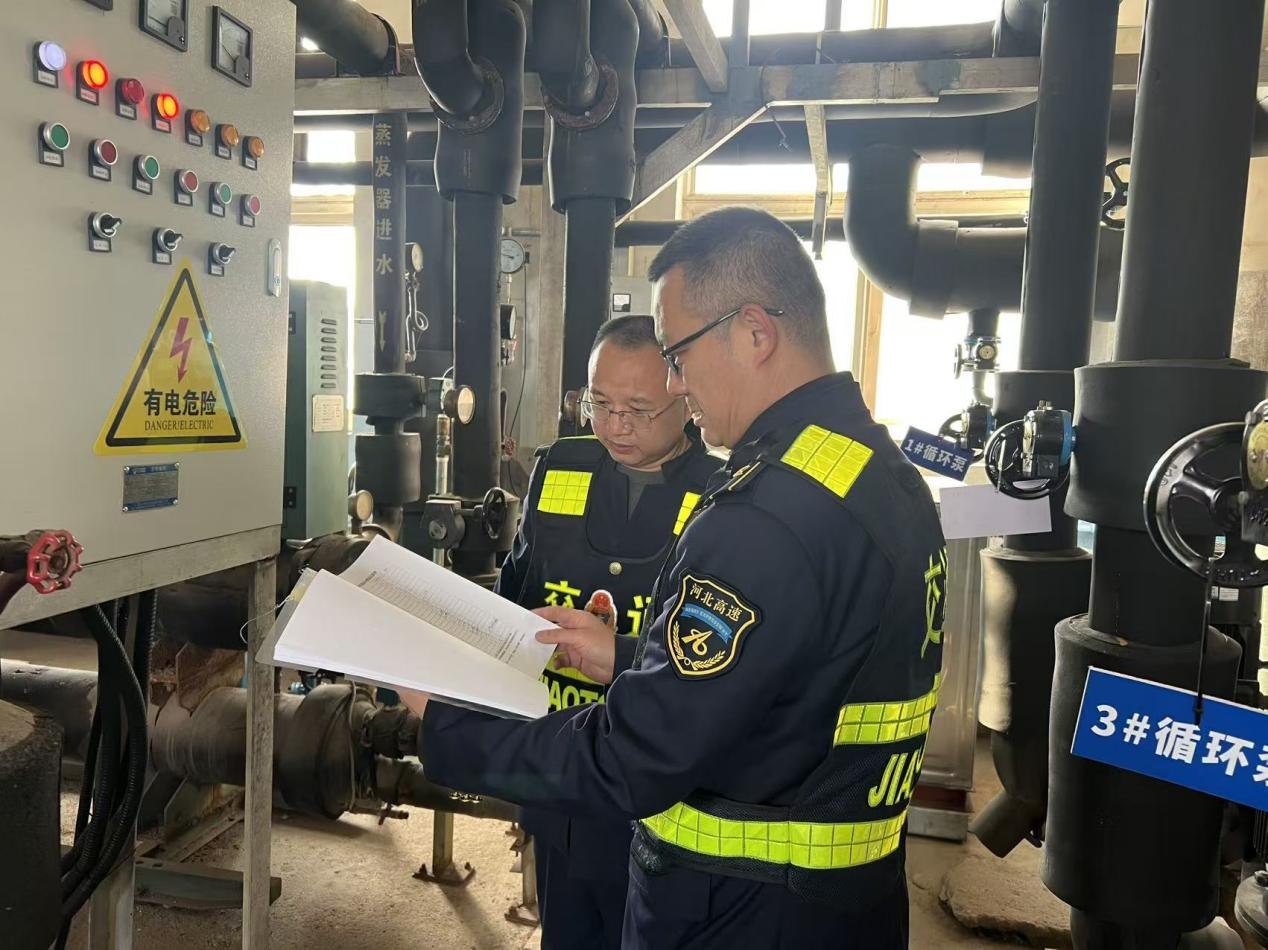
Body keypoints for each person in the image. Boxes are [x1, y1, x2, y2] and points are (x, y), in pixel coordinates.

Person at [403, 206, 947, 949]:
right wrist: (629, 657)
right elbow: (789, 679)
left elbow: (634, 757)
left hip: (739, 914)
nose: (676, 385)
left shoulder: (765, 515)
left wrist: (447, 723)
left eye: (679, 355)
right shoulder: (873, 473)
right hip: (842, 905)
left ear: (754, 332)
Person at [498, 313, 720, 949]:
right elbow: (518, 587)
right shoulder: (561, 468)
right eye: (599, 404)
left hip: (656, 793)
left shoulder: (721, 495)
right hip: (561, 766)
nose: (616, 425)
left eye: (638, 409)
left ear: (682, 393)